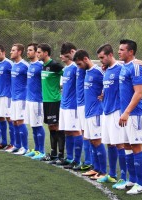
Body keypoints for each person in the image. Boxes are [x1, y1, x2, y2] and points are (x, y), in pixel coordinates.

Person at [95, 44, 127, 188]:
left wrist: (141, 63)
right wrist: (103, 95)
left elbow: (135, 68)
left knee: (120, 144)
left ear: (110, 55)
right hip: (106, 110)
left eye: (102, 57)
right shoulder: (106, 70)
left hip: (116, 110)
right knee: (110, 143)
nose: (101, 60)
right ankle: (112, 175)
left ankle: (124, 177)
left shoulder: (120, 68)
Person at [118, 39, 142, 195]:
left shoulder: (136, 67)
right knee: (127, 146)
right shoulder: (124, 66)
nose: (119, 52)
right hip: (125, 114)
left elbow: (139, 93)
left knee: (136, 147)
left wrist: (127, 112)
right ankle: (132, 180)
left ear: (130, 52)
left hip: (135, 114)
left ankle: (141, 184)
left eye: (122, 50)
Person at [73, 50, 107, 180]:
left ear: (86, 59)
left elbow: (112, 82)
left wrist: (104, 93)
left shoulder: (98, 71)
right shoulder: (87, 71)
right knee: (92, 141)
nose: (79, 67)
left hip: (96, 112)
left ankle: (103, 171)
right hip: (88, 113)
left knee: (97, 141)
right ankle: (96, 168)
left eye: (80, 64)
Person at [36, 43, 65, 164]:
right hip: (46, 101)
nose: (37, 54)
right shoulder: (43, 66)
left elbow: (67, 75)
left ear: (46, 53)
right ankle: (53, 153)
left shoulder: (55, 65)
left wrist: (62, 86)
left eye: (39, 52)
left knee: (57, 125)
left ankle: (61, 154)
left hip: (54, 100)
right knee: (50, 126)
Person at [56, 42, 83, 170]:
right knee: (67, 130)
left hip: (73, 105)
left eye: (66, 55)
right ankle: (69, 157)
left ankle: (77, 160)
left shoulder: (76, 68)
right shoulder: (65, 69)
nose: (63, 57)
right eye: (62, 55)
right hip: (64, 105)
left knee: (76, 130)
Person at [0, 44, 15, 150]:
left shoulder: (9, 64)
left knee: (9, 119)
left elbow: (15, 78)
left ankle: (13, 143)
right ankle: (3, 142)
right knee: (1, 118)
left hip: (7, 95)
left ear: (4, 53)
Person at [23, 43, 46, 160]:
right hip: (29, 99)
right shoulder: (30, 66)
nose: (28, 52)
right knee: (33, 125)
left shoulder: (41, 65)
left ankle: (42, 151)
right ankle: (36, 149)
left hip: (37, 100)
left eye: (30, 50)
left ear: (37, 52)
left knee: (38, 125)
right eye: (27, 50)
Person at [9, 43, 29, 155]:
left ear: (19, 52)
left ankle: (25, 147)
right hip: (14, 98)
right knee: (14, 122)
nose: (10, 52)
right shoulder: (14, 65)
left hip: (22, 98)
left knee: (20, 121)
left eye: (13, 50)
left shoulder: (25, 65)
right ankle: (17, 145)